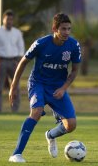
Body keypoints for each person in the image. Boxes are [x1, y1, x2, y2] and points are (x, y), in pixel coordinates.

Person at [8, 13, 81, 163]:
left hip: (57, 87)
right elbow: (23, 62)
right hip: (38, 84)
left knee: (71, 125)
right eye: (63, 29)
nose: (67, 32)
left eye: (69, 29)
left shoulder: (74, 46)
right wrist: (14, 86)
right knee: (36, 112)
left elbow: (74, 71)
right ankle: (16, 154)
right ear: (54, 28)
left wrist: (64, 88)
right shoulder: (41, 43)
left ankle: (50, 135)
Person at [0, 9, 25, 112]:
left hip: (14, 61)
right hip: (1, 61)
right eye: (7, 19)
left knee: (15, 86)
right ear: (3, 19)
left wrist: (18, 59)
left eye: (11, 19)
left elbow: (21, 47)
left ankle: (15, 109)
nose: (9, 21)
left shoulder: (17, 32)